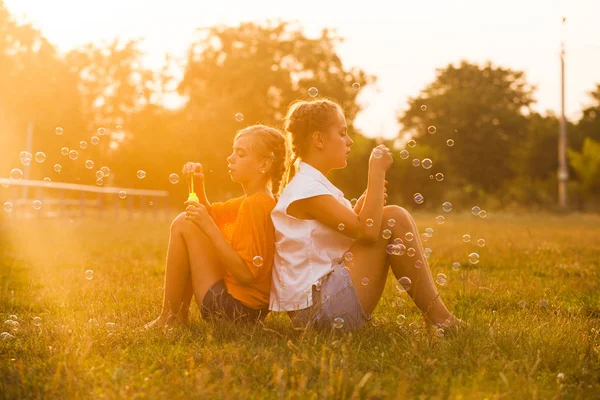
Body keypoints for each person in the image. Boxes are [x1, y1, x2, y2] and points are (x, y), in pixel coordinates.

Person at [270, 99, 463, 332]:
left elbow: (351, 230)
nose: (349, 141)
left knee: (391, 217)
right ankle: (444, 320)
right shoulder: (307, 189)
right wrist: (376, 170)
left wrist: (361, 208)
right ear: (318, 139)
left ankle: (440, 317)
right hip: (320, 312)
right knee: (394, 218)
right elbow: (368, 231)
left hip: (322, 305)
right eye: (342, 133)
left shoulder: (311, 184)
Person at [145, 124, 287, 329]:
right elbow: (208, 216)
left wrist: (209, 227)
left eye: (241, 154)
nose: (230, 158)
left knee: (183, 223)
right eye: (233, 152)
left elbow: (246, 276)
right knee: (189, 221)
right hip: (246, 311)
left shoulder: (256, 205)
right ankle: (174, 317)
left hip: (234, 311)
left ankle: (170, 317)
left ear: (263, 165)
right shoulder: (257, 200)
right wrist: (197, 185)